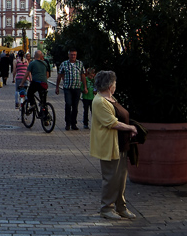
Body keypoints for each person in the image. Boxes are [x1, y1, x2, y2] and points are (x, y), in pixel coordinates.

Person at [89, 70, 139, 221]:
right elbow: (111, 122)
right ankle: (107, 208)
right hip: (109, 145)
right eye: (115, 83)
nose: (115, 85)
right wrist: (130, 128)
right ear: (110, 85)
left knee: (121, 178)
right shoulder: (99, 101)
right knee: (111, 178)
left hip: (121, 144)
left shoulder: (111, 99)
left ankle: (121, 206)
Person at [56, 48, 86, 131]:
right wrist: (57, 87)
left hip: (77, 88)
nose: (73, 56)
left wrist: (85, 87)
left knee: (75, 107)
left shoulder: (80, 64)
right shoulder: (64, 64)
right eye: (71, 54)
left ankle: (74, 123)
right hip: (67, 88)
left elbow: (83, 75)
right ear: (68, 55)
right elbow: (59, 75)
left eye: (74, 55)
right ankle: (67, 123)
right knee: (68, 104)